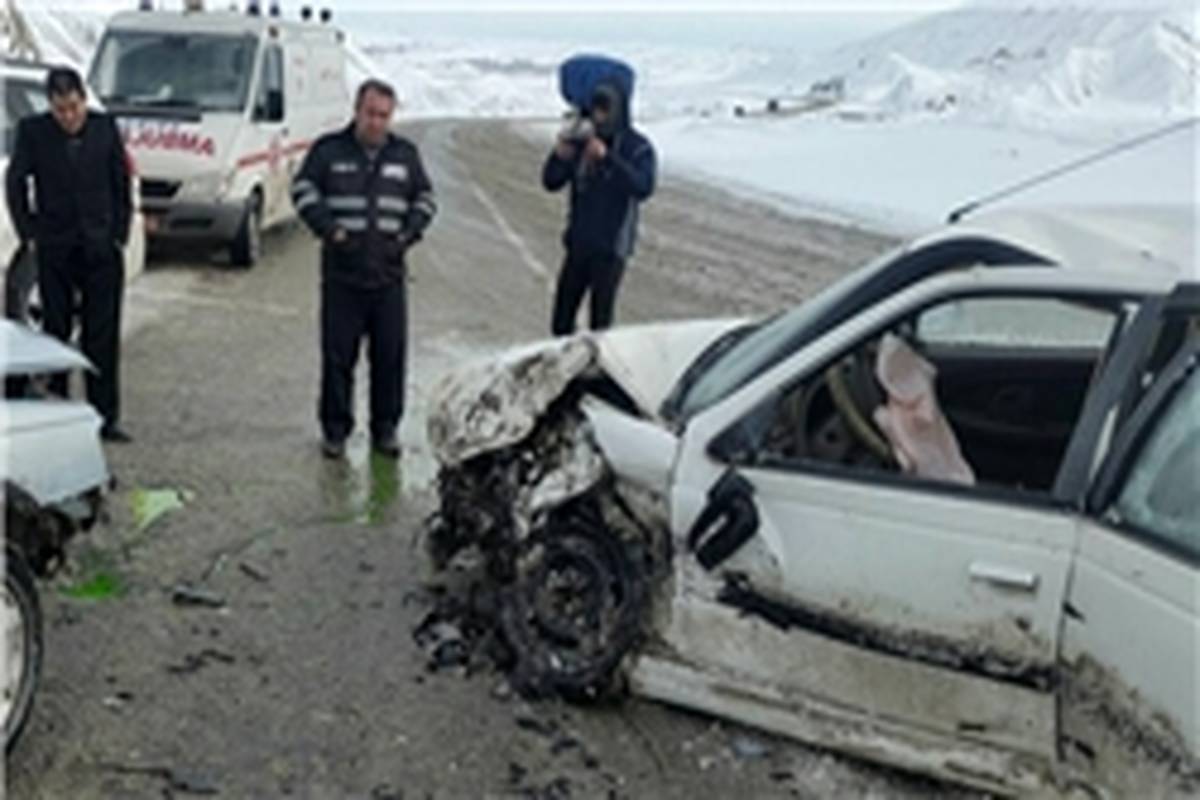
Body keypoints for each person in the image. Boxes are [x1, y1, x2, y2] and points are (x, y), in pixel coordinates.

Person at [291, 79, 436, 460]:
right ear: (357, 111)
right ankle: (335, 431)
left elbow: (425, 198)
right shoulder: (328, 150)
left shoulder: (405, 155)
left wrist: (408, 235)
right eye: (370, 114)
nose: (376, 122)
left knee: (390, 359)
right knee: (338, 359)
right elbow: (302, 189)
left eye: (384, 116)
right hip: (343, 277)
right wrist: (330, 230)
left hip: (389, 277)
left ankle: (385, 429)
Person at [5, 66, 134, 442]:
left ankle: (104, 416)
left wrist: (119, 234)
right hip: (55, 246)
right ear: (50, 105)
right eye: (60, 110)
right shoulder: (33, 132)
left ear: (83, 100)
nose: (69, 117)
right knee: (55, 331)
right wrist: (30, 233)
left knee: (102, 336)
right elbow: (15, 182)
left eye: (74, 108)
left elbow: (121, 183)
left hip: (101, 247)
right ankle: (59, 413)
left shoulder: (104, 128)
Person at [542, 78, 656, 335]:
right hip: (578, 244)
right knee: (561, 321)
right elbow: (550, 181)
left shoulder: (636, 147)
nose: (598, 117)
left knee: (600, 325)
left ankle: (598, 361)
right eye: (595, 110)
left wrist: (607, 159)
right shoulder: (582, 140)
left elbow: (643, 186)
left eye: (604, 110)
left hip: (611, 248)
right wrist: (560, 157)